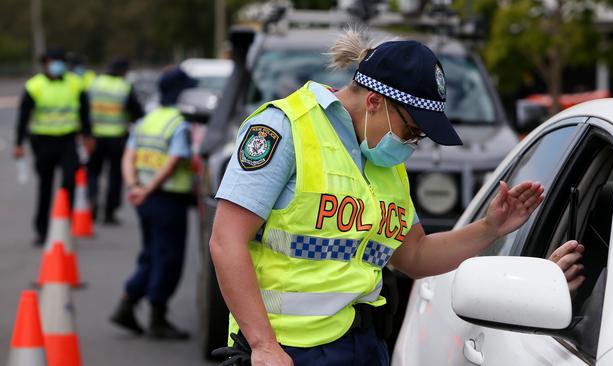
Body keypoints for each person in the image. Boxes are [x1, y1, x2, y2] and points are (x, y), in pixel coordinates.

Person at [209, 30, 586, 366]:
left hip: (363, 343)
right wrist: (263, 346)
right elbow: (226, 242)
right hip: (288, 350)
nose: (411, 143)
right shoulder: (283, 128)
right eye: (411, 129)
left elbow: (415, 255)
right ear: (375, 101)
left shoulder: (384, 162)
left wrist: (490, 229)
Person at [110, 66, 196, 340]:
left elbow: (128, 156)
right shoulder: (179, 124)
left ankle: (128, 303)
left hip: (144, 199)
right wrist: (146, 190)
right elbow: (172, 163)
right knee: (168, 257)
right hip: (168, 199)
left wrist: (134, 187)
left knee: (151, 253)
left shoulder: (148, 119)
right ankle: (157, 315)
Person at [14, 48, 95, 245]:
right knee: (45, 186)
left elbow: (85, 112)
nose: (56, 65)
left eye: (59, 61)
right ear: (45, 63)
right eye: (52, 61)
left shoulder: (75, 83)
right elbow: (23, 116)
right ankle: (42, 231)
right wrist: (19, 143)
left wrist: (88, 135)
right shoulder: (34, 85)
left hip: (68, 140)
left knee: (69, 181)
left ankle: (62, 225)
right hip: (43, 142)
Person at [87, 58, 144, 224]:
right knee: (115, 176)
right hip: (117, 137)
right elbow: (137, 113)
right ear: (123, 71)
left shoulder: (95, 83)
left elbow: (85, 109)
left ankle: (92, 198)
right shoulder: (124, 87)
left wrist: (86, 133)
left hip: (95, 137)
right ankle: (110, 211)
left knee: (93, 171)